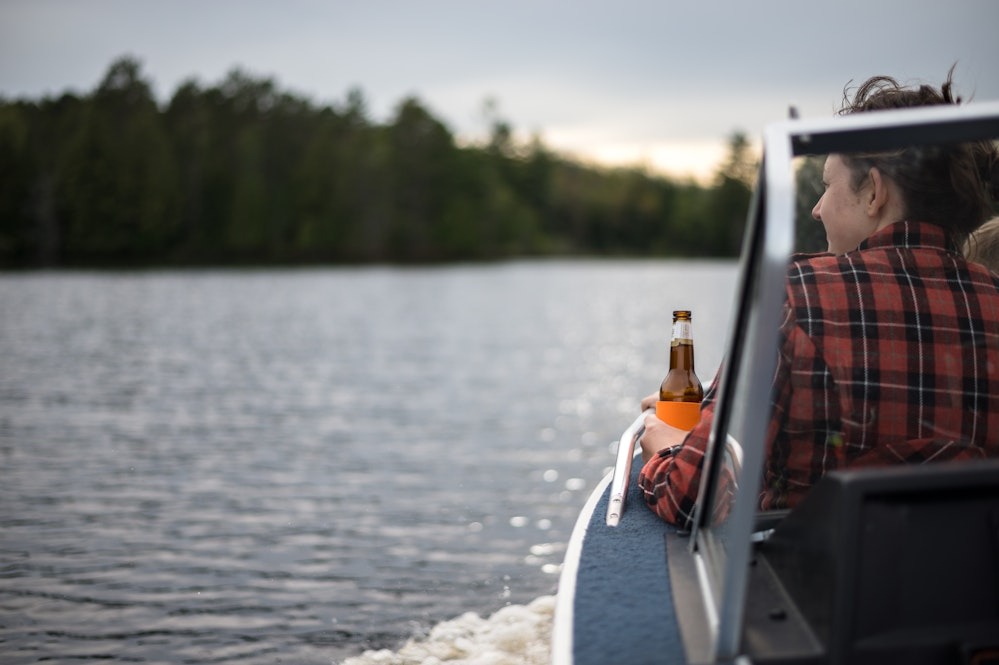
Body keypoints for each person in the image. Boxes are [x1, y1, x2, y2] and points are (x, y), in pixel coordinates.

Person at [638, 70, 999, 528]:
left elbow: (692, 496)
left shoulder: (795, 296)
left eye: (827, 186)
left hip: (818, 587)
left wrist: (670, 443)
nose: (816, 208)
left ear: (874, 191)